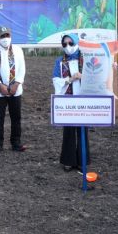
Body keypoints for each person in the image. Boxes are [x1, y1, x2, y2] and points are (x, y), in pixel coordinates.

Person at [0, 26, 26, 154]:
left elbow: (22, 69)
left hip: (16, 90)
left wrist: (16, 84)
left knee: (16, 117)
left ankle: (16, 143)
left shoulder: (18, 50)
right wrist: (0, 85)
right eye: (2, 36)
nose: (5, 39)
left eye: (7, 35)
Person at [51, 34, 88, 171]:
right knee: (68, 131)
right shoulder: (60, 61)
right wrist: (70, 79)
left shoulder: (86, 59)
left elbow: (96, 76)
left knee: (82, 131)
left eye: (71, 43)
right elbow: (55, 79)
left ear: (76, 42)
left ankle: (82, 160)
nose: (68, 47)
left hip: (83, 100)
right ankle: (68, 160)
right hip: (67, 101)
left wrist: (83, 76)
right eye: (64, 44)